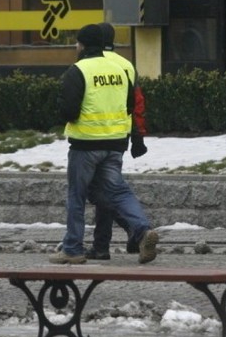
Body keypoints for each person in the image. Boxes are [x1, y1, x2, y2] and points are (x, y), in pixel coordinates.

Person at [50, 23, 158, 265]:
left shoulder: (79, 70)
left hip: (86, 144)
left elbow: (68, 109)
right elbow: (131, 105)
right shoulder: (120, 68)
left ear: (83, 45)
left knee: (77, 196)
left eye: (77, 43)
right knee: (116, 190)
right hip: (116, 143)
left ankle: (72, 248)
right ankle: (141, 230)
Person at [84, 22, 148, 260]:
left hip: (90, 137)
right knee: (107, 188)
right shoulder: (126, 65)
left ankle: (137, 231)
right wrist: (138, 135)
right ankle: (102, 245)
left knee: (100, 190)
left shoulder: (88, 63)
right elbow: (136, 103)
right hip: (119, 136)